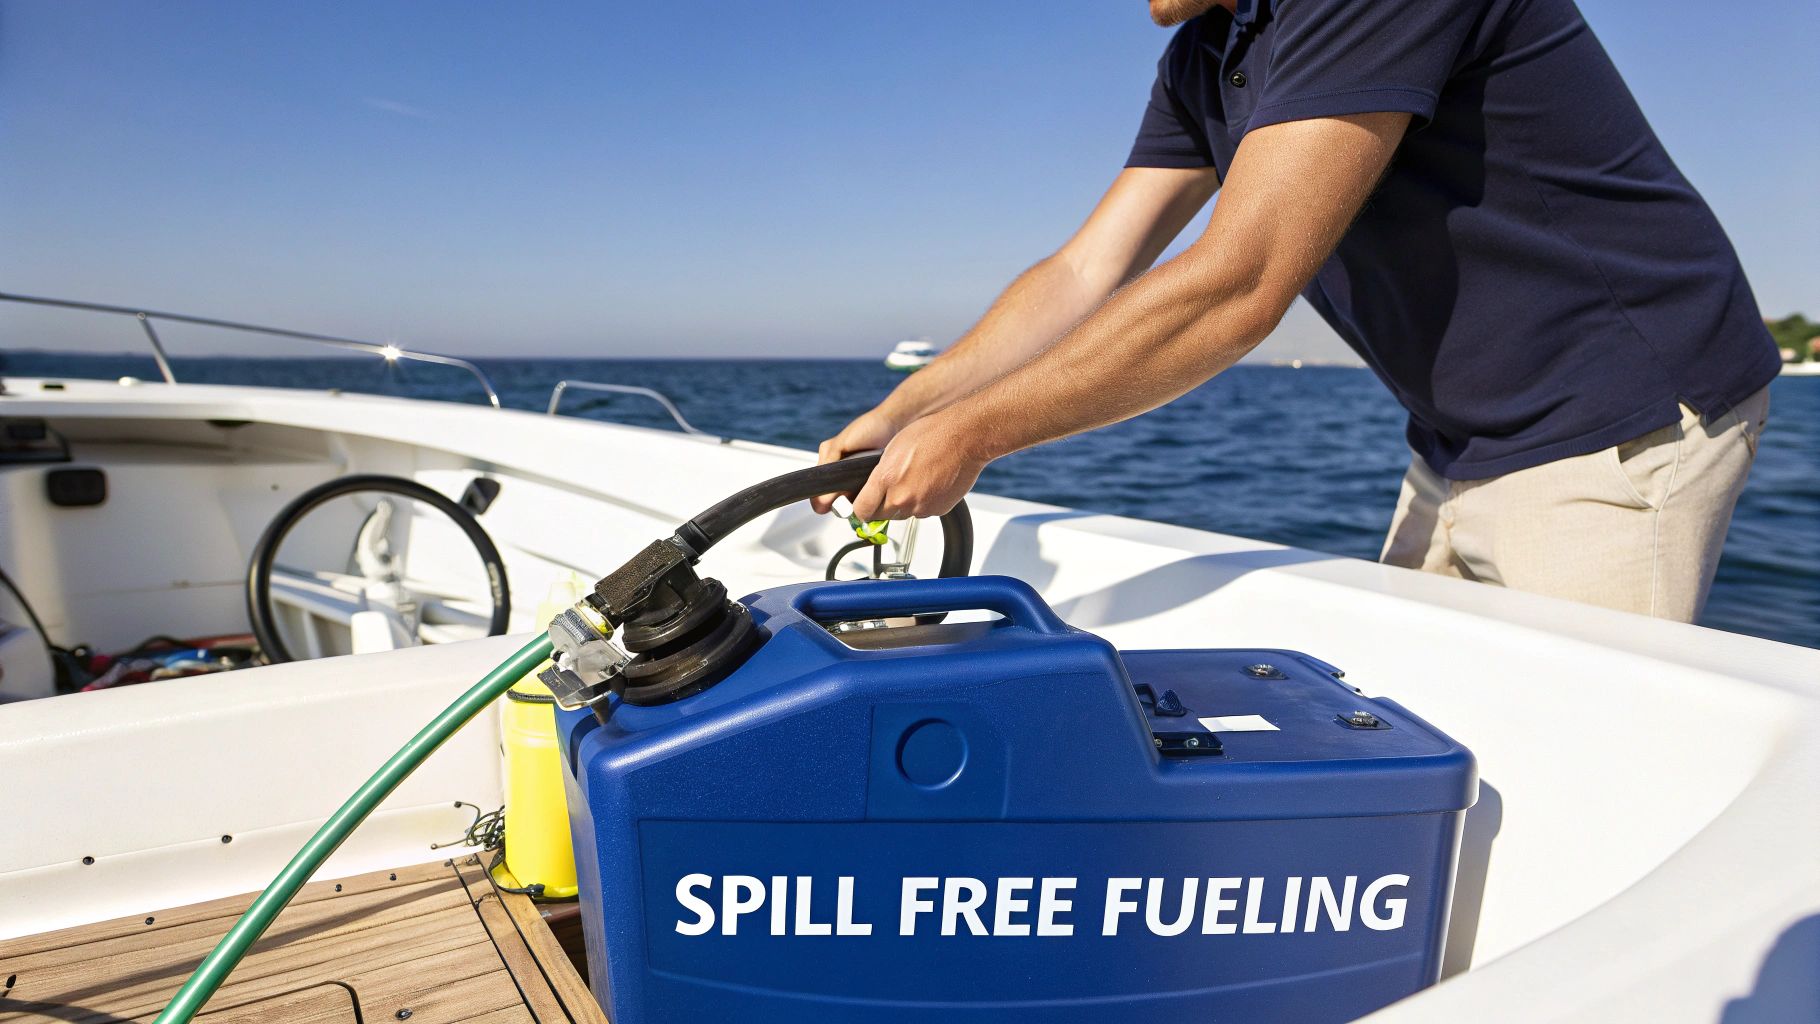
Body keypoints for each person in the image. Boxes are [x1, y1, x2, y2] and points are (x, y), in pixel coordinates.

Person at [812, 0, 1778, 621]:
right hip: (1460, 438)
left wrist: (976, 432)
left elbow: (1242, 283)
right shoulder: (1205, 58)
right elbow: (1084, 270)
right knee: (1421, 722)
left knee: (1588, 768)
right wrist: (914, 407)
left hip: (1618, 415)